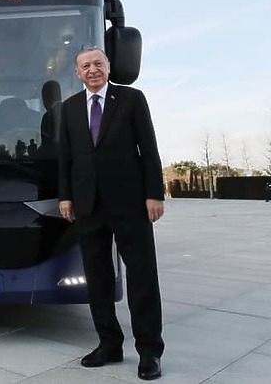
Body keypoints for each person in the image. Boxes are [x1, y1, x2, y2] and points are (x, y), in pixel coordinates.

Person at [58, 46, 165, 381]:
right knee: (98, 279)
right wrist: (66, 197)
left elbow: (149, 149)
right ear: (77, 72)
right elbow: (67, 158)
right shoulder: (70, 108)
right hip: (88, 205)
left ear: (108, 67)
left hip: (131, 203)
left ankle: (149, 352)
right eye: (86, 65)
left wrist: (154, 194)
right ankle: (109, 344)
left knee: (142, 276)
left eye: (98, 64)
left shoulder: (132, 99)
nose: (93, 70)